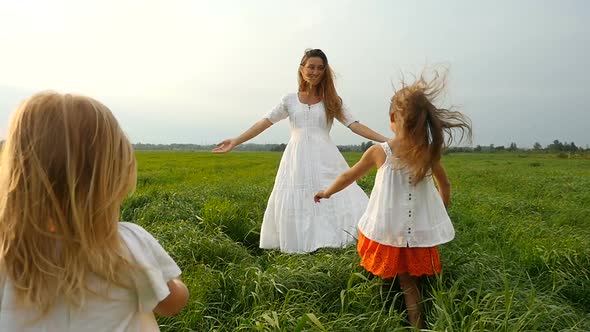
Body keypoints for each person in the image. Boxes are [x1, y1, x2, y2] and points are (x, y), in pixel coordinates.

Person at [0, 92, 189, 331]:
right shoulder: (127, 245)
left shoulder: (7, 252)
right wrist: (174, 280)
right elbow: (172, 304)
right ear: (112, 179)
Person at [314, 71, 471, 327]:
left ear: (392, 119)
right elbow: (445, 185)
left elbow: (349, 175)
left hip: (386, 228)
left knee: (394, 274)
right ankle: (416, 323)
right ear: (424, 121)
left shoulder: (380, 152)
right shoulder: (428, 153)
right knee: (410, 283)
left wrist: (327, 192)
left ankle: (380, 307)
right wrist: (441, 209)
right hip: (416, 232)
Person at [213, 48, 389, 253]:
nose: (315, 72)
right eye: (311, 67)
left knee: (339, 193)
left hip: (326, 157)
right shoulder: (289, 100)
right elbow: (264, 122)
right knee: (298, 196)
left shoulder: (332, 100)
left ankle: (340, 241)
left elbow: (355, 125)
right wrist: (236, 140)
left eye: (320, 68)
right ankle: (302, 245)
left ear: (325, 72)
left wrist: (388, 140)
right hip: (296, 158)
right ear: (301, 69)